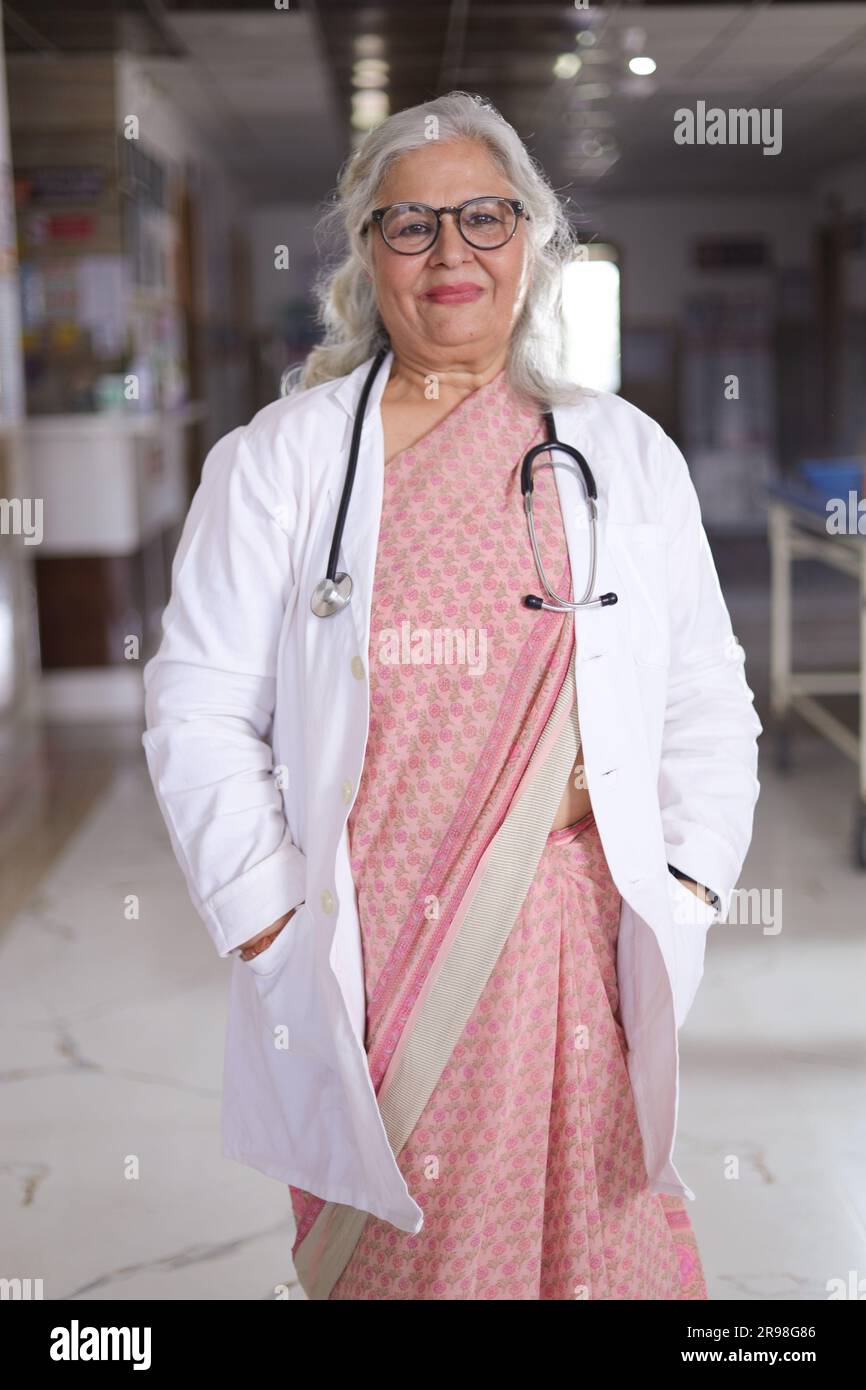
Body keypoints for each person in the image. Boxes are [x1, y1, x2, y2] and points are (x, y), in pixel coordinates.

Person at [142, 90, 761, 1300]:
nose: (450, 255)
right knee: (410, 1262)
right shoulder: (282, 463)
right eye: (409, 225)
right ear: (365, 253)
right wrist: (267, 918)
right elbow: (197, 707)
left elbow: (705, 691)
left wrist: (685, 876)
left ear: (531, 237)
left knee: (594, 1251)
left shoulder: (622, 452)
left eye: (483, 217)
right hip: (374, 964)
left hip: (581, 945)